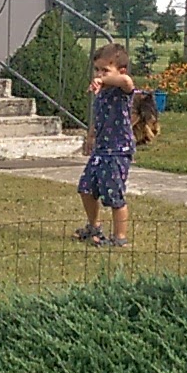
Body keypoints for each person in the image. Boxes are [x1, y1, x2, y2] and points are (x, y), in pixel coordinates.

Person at [75, 44, 137, 247]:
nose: (99, 75)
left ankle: (120, 238)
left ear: (121, 70)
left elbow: (127, 81)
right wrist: (90, 136)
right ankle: (94, 226)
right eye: (97, 70)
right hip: (101, 149)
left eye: (105, 70)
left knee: (113, 193)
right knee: (86, 188)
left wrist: (104, 80)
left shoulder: (123, 90)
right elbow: (98, 117)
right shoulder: (101, 92)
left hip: (118, 150)